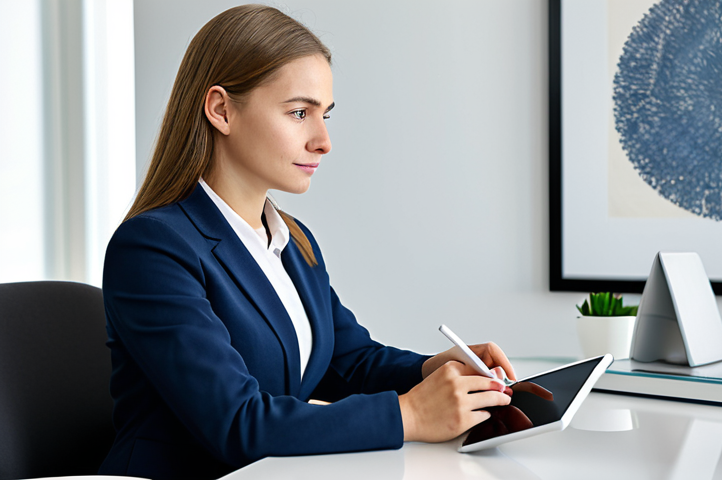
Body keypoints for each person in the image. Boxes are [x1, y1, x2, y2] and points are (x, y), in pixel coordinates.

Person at [99, 5, 515, 479]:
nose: (323, 141)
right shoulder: (152, 248)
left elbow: (349, 360)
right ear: (221, 109)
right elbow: (237, 423)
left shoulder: (293, 241)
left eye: (325, 115)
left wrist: (433, 371)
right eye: (300, 113)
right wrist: (413, 415)